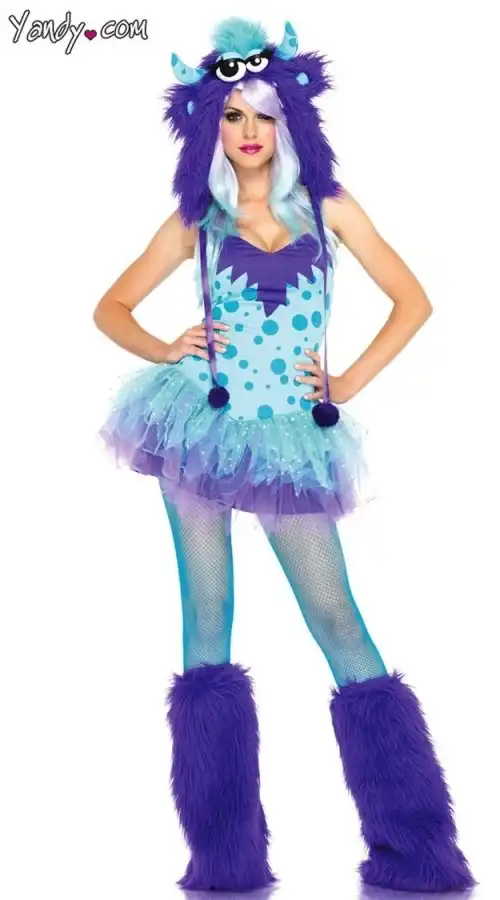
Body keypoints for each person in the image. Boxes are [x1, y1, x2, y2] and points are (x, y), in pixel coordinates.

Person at [94, 16, 475, 895]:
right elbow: (110, 307)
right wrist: (166, 349)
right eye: (232, 115)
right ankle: (225, 857)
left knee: (338, 619)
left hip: (290, 441)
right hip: (200, 427)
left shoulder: (329, 208)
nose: (250, 130)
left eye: (264, 113)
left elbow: (413, 301)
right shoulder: (197, 219)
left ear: (289, 120)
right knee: (207, 618)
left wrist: (344, 382)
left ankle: (415, 849)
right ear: (211, 126)